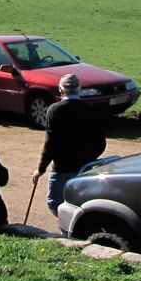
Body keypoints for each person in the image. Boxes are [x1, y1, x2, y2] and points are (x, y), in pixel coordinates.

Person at [31, 74, 106, 216]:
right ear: (79, 89)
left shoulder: (55, 110)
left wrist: (40, 169)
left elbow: (50, 144)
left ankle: (66, 231)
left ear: (60, 90)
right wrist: (87, 159)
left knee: (55, 203)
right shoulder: (89, 109)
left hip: (62, 169)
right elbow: (100, 143)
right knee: (80, 205)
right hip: (84, 169)